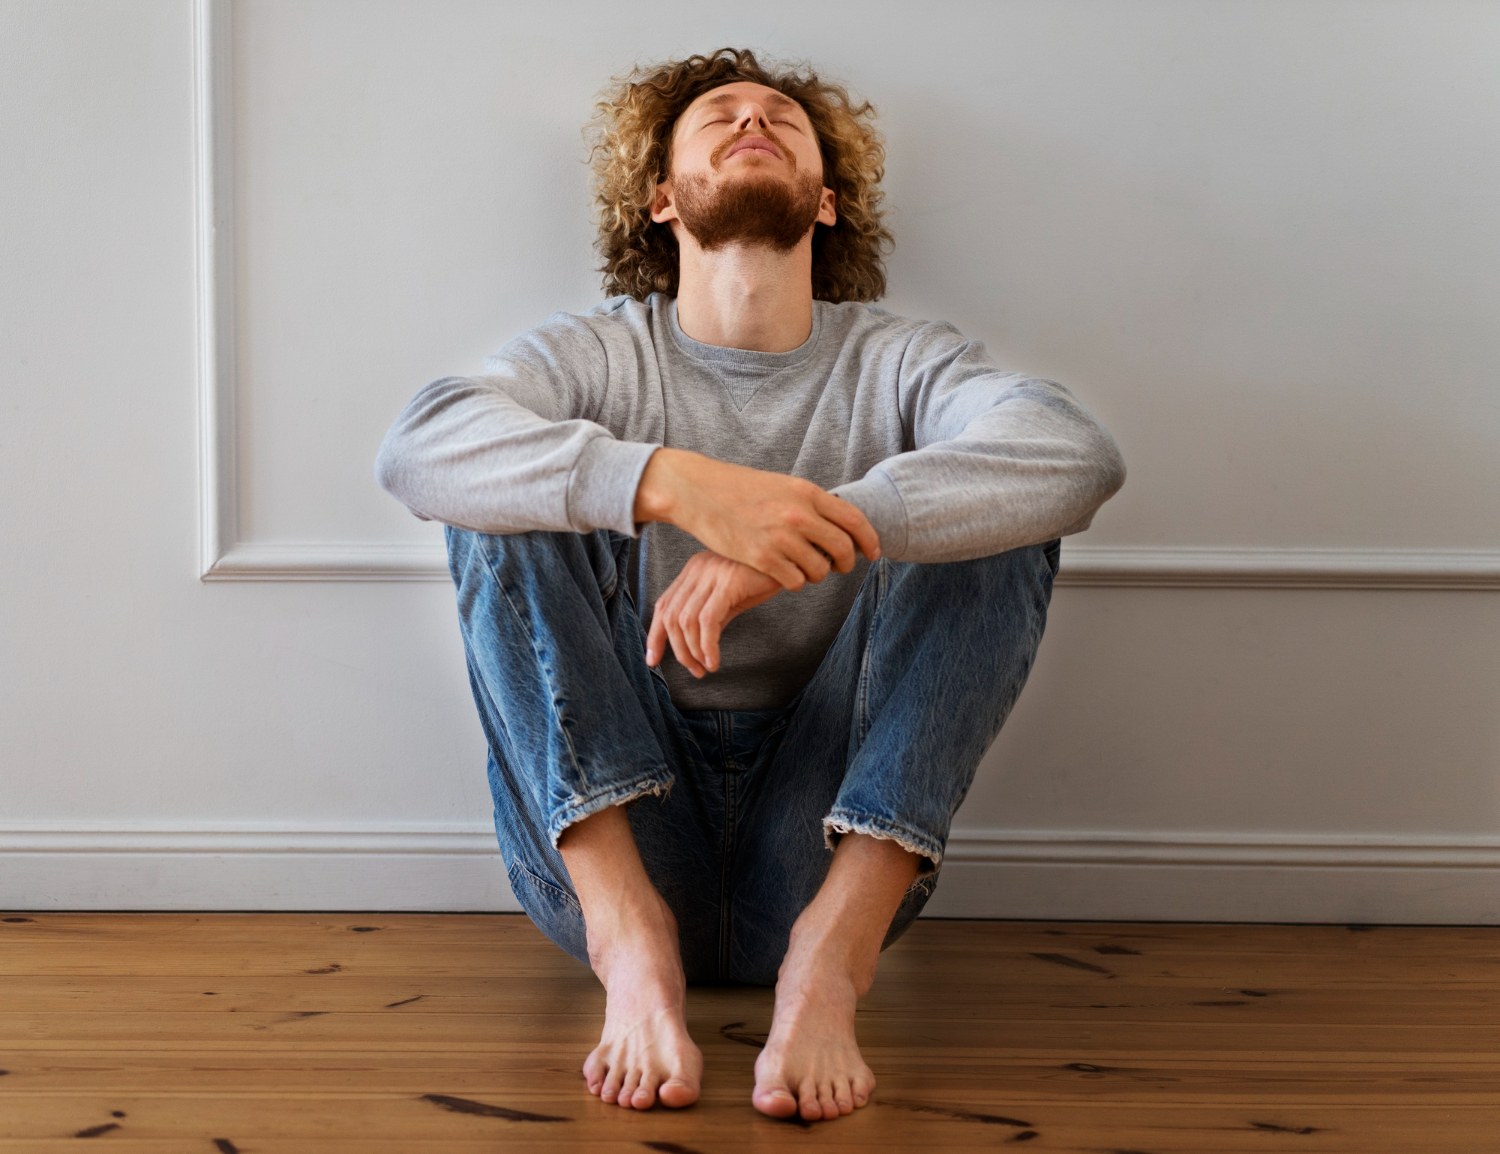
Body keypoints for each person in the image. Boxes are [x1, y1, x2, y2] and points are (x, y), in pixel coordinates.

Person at [375, 47, 1125, 1123]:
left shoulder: (903, 360)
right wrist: (677, 487)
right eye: (717, 116)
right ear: (661, 199)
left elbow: (1075, 452)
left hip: (825, 839)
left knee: (998, 512)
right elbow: (419, 447)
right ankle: (631, 947)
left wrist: (827, 527)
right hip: (626, 830)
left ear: (826, 203)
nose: (751, 120)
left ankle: (830, 957)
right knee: (504, 494)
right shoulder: (596, 354)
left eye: (781, 117)